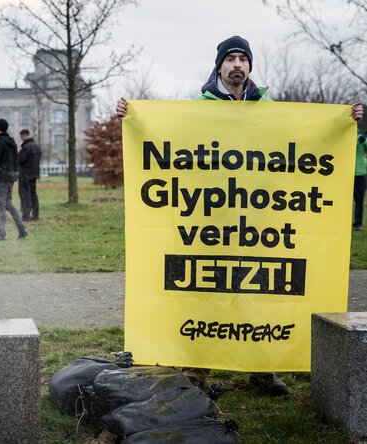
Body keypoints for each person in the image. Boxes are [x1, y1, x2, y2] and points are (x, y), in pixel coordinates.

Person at [116, 35, 364, 396]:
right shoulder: (198, 108)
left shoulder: (268, 108)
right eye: (229, 58)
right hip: (209, 220)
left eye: (242, 59)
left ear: (249, 67)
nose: (236, 64)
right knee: (206, 290)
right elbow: (169, 141)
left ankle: (261, 370)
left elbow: (301, 140)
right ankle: (196, 370)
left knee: (260, 289)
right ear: (219, 66)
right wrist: (134, 119)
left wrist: (344, 121)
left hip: (262, 220)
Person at [0, 118, 28, 241]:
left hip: (1, 178)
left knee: (0, 206)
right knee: (8, 204)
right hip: (10, 178)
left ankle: (1, 234)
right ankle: (22, 229)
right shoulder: (12, 142)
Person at [18, 129, 42, 221]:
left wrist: (20, 150)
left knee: (24, 195)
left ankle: (26, 215)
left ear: (24, 136)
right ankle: (35, 215)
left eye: (21, 137)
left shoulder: (26, 147)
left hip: (25, 175)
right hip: (34, 175)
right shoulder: (37, 147)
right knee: (33, 195)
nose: (21, 139)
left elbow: (19, 159)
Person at [355, 130, 367, 231]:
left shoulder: (362, 138)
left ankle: (357, 224)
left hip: (359, 173)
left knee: (359, 201)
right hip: (346, 173)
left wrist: (364, 139)